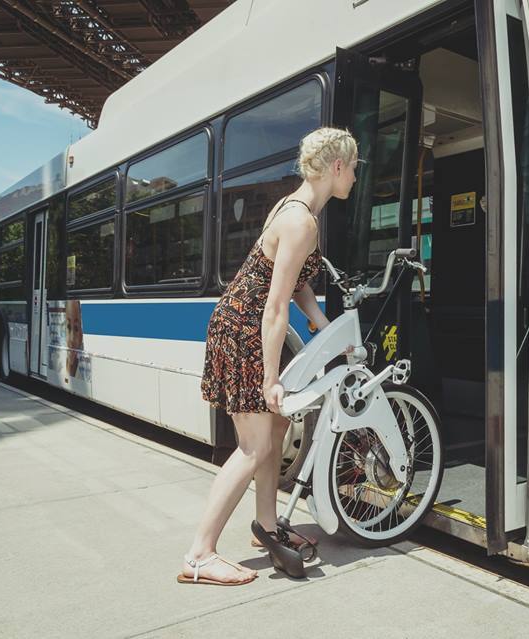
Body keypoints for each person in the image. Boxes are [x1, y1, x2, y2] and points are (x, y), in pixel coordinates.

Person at [178, 127, 359, 586]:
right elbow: (275, 304)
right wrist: (270, 379)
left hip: (239, 323)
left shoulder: (291, 208)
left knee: (276, 428)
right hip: (244, 330)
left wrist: (322, 324)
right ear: (337, 167)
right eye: (354, 168)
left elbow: (297, 283)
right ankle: (199, 555)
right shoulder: (302, 221)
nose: (355, 177)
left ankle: (266, 526)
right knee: (254, 446)